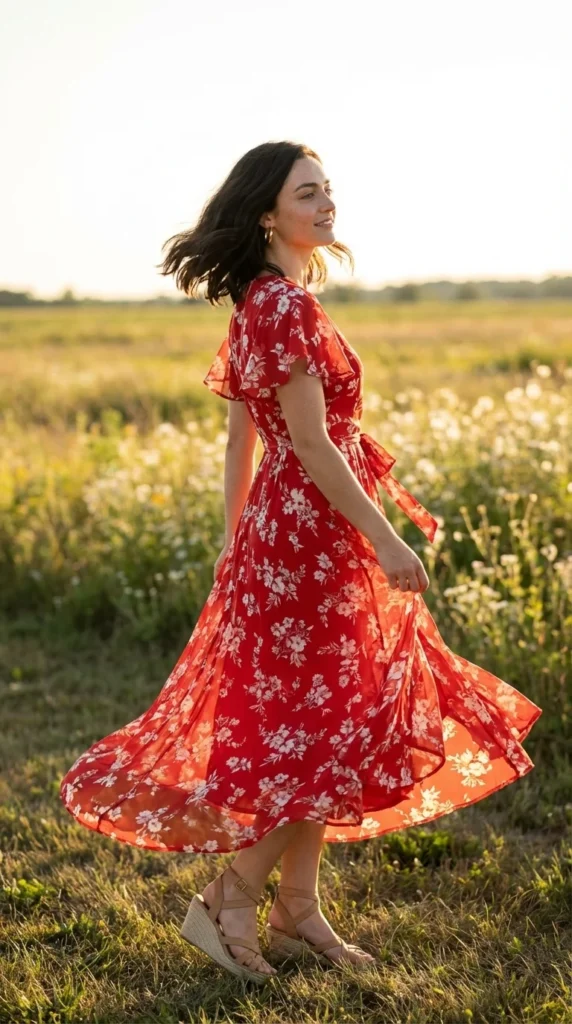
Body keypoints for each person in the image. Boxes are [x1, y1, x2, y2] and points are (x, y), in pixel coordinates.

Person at [59, 141, 543, 983]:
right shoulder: (281, 307)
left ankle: (299, 911)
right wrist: (384, 540)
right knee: (328, 730)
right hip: (313, 535)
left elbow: (245, 435)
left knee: (322, 726)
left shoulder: (264, 302)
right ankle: (231, 901)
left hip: (286, 532)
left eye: (328, 191)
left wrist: (233, 536)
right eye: (308, 194)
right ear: (266, 214)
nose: (327, 206)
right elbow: (312, 443)